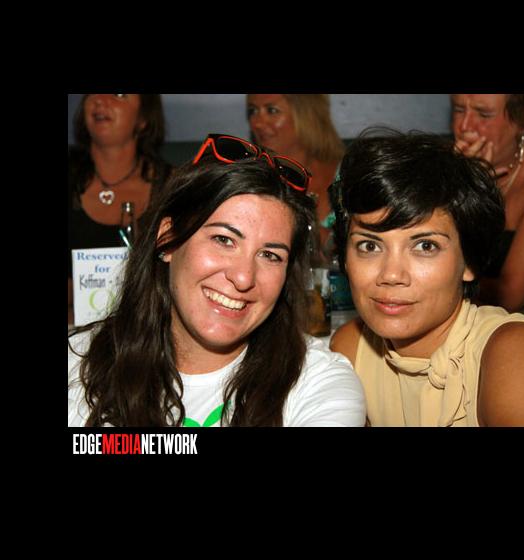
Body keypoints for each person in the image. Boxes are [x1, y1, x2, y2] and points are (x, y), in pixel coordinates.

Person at [68, 133, 366, 427]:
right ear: (168, 239)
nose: (243, 277)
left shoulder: (319, 386)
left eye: (270, 255)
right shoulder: (77, 364)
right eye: (223, 239)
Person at [329, 130, 524, 427]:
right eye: (370, 246)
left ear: (469, 261)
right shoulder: (352, 348)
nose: (391, 274)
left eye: (425, 246)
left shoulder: (517, 350)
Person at [451, 94, 524, 344]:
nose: (465, 126)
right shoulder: (446, 163)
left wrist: (473, 199)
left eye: (484, 114)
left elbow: (509, 296)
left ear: (522, 121)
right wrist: (456, 184)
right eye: (459, 109)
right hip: (460, 309)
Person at [68, 94, 173, 325]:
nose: (101, 100)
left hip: (147, 328)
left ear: (143, 118)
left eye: (119, 94)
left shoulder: (171, 185)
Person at [246, 94, 345, 261]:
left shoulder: (350, 173)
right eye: (253, 111)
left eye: (272, 110)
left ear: (306, 114)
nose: (257, 123)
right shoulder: (252, 179)